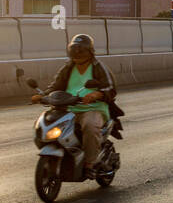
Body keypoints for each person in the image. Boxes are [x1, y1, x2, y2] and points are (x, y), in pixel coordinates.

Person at [31, 33, 123, 174]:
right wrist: (42, 95)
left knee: (90, 126)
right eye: (74, 50)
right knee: (47, 122)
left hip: (93, 108)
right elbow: (56, 86)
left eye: (81, 51)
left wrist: (96, 94)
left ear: (89, 51)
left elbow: (111, 88)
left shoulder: (98, 67)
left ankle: (89, 163)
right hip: (69, 108)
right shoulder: (68, 68)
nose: (78, 54)